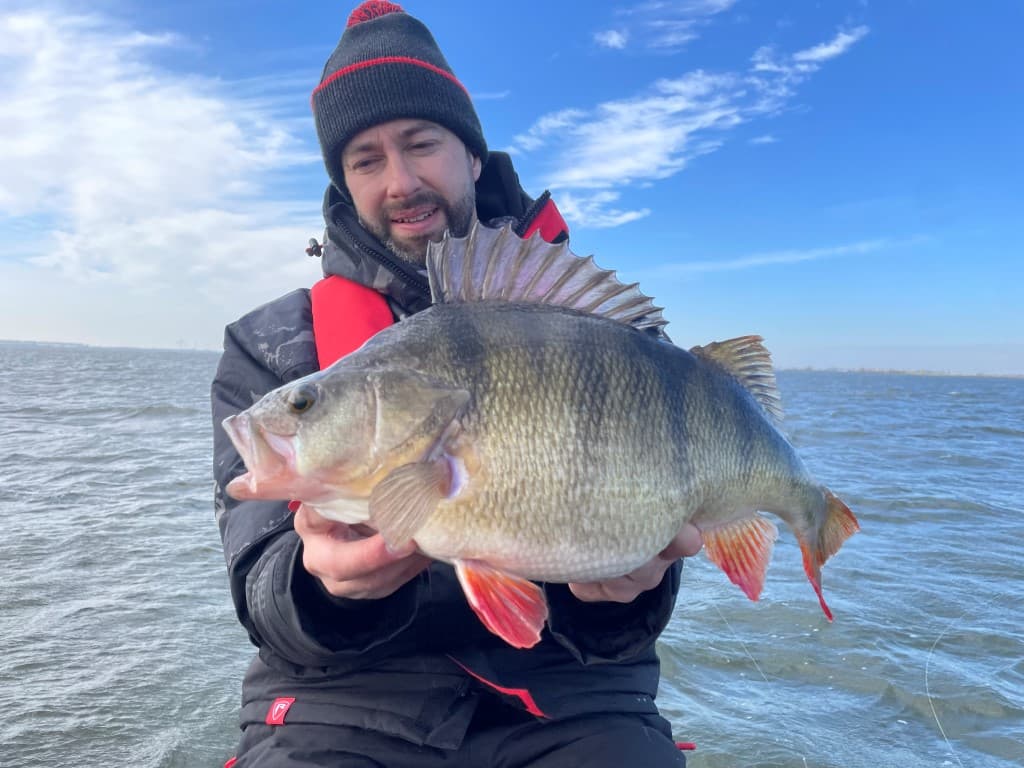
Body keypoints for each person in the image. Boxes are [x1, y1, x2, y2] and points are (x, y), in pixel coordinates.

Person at [211, 2, 703, 766]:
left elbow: (653, 572)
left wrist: (633, 590)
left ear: (472, 154)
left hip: (574, 692)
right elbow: (259, 588)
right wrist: (320, 589)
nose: (401, 180)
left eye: (421, 144)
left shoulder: (616, 343)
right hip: (340, 700)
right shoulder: (270, 345)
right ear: (343, 183)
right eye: (366, 160)